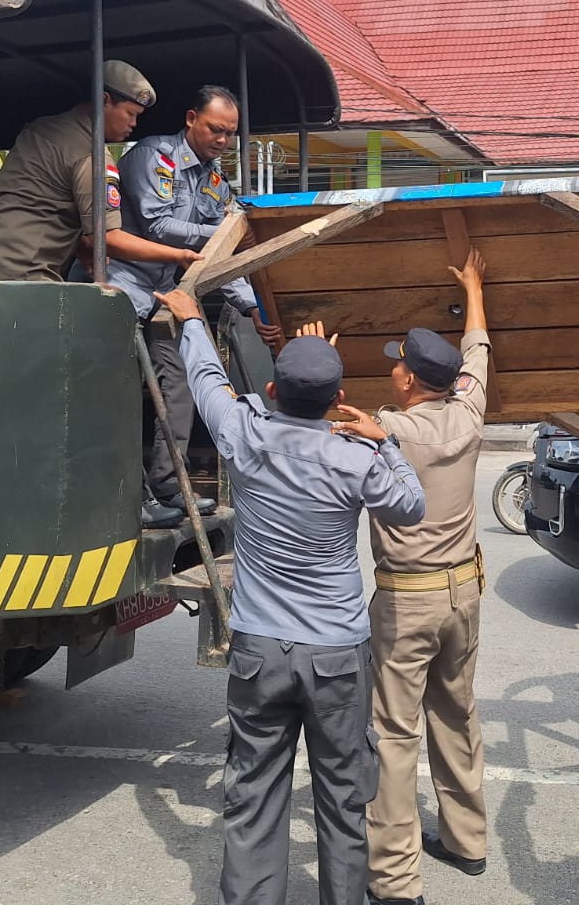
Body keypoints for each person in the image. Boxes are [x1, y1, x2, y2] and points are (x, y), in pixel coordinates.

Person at [155, 287, 426, 905]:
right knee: (341, 799)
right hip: (335, 656)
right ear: (338, 401)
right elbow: (411, 506)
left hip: (259, 653)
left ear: (274, 392)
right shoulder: (356, 456)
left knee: (252, 795)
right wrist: (383, 438)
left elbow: (207, 383)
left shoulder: (245, 437)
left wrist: (193, 321)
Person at [363, 249, 491, 905]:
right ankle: (468, 841)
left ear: (411, 380)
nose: (391, 368)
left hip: (407, 601)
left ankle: (394, 879)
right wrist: (474, 288)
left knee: (393, 732)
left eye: (397, 362)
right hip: (463, 594)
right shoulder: (468, 416)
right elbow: (478, 351)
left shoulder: (386, 430)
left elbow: (317, 412)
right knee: (456, 712)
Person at [110, 85, 284, 528]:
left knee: (182, 384)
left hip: (167, 296)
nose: (223, 141)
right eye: (215, 130)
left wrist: (252, 310)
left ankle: (171, 487)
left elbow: (222, 258)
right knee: (118, 396)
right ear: (191, 119)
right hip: (118, 289)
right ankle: (128, 495)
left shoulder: (214, 180)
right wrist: (225, 234)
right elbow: (157, 225)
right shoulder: (156, 156)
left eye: (230, 134)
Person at [0, 59, 197, 282]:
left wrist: (80, 245)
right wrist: (179, 255)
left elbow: (39, 203)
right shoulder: (92, 155)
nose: (134, 124)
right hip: (25, 274)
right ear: (104, 101)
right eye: (130, 113)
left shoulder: (40, 129)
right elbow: (106, 238)